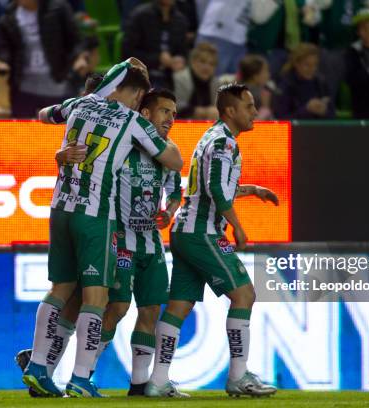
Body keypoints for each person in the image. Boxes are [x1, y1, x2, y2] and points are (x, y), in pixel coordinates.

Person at [21, 60, 183, 398]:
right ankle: (80, 379)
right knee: (98, 298)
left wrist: (59, 151)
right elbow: (173, 161)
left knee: (60, 288)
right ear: (139, 94)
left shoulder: (80, 104)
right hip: (96, 215)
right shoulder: (132, 121)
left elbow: (42, 115)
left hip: (60, 207)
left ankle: (38, 366)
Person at [145, 83, 279, 398]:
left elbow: (210, 186)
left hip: (185, 231)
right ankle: (238, 377)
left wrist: (253, 190)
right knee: (244, 294)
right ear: (231, 111)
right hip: (202, 232)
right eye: (249, 106)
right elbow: (216, 191)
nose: (255, 112)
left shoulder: (212, 137)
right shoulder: (224, 143)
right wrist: (238, 228)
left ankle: (157, 381)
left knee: (179, 305)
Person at [0, 0, 86, 118]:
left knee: (59, 131)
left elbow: (75, 40)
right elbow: (5, 48)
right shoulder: (8, 16)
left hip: (57, 84)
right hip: (24, 87)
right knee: (24, 132)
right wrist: (3, 62)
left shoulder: (58, 8)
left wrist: (79, 57)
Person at [122, 0, 189, 89]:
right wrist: (157, 58)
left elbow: (183, 52)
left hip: (171, 75)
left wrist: (180, 60)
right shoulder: (140, 15)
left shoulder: (181, 20)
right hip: (142, 73)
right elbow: (127, 52)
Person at [274, 43, 334, 120]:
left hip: (318, 130)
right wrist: (306, 110)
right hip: (295, 130)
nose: (312, 69)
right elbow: (281, 119)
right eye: (307, 65)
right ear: (296, 63)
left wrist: (324, 111)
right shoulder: (285, 85)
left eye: (315, 65)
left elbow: (332, 114)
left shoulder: (321, 83)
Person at [173, 42, 219, 119]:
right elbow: (176, 106)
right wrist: (203, 112)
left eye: (211, 64)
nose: (207, 67)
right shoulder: (179, 78)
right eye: (202, 61)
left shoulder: (216, 83)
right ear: (193, 62)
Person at [238, 54, 274, 120]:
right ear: (255, 76)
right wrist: (265, 107)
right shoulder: (256, 94)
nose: (268, 75)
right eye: (265, 71)